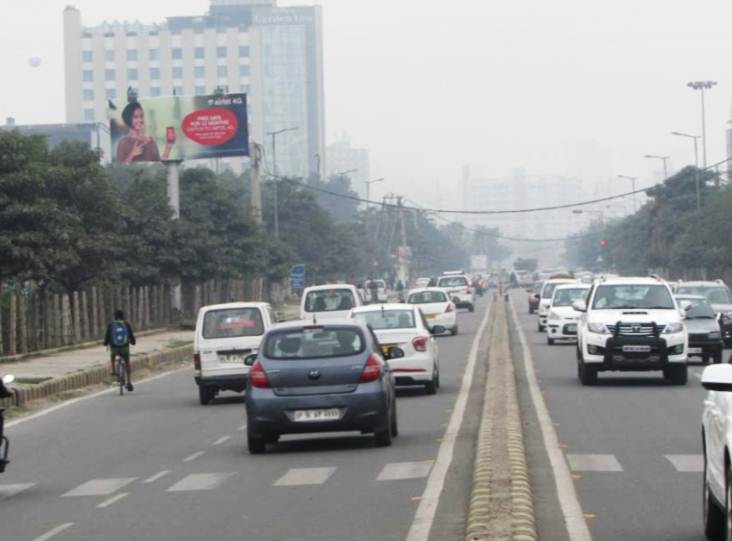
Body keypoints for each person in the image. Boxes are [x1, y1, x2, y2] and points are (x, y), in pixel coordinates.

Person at [104, 310, 136, 392]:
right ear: (123, 316)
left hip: (114, 347)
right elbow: (131, 335)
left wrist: (105, 343)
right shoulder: (126, 324)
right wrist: (133, 342)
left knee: (112, 356)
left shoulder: (111, 325)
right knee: (127, 361)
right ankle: (129, 381)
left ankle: (113, 370)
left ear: (114, 316)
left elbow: (107, 336)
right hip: (124, 348)